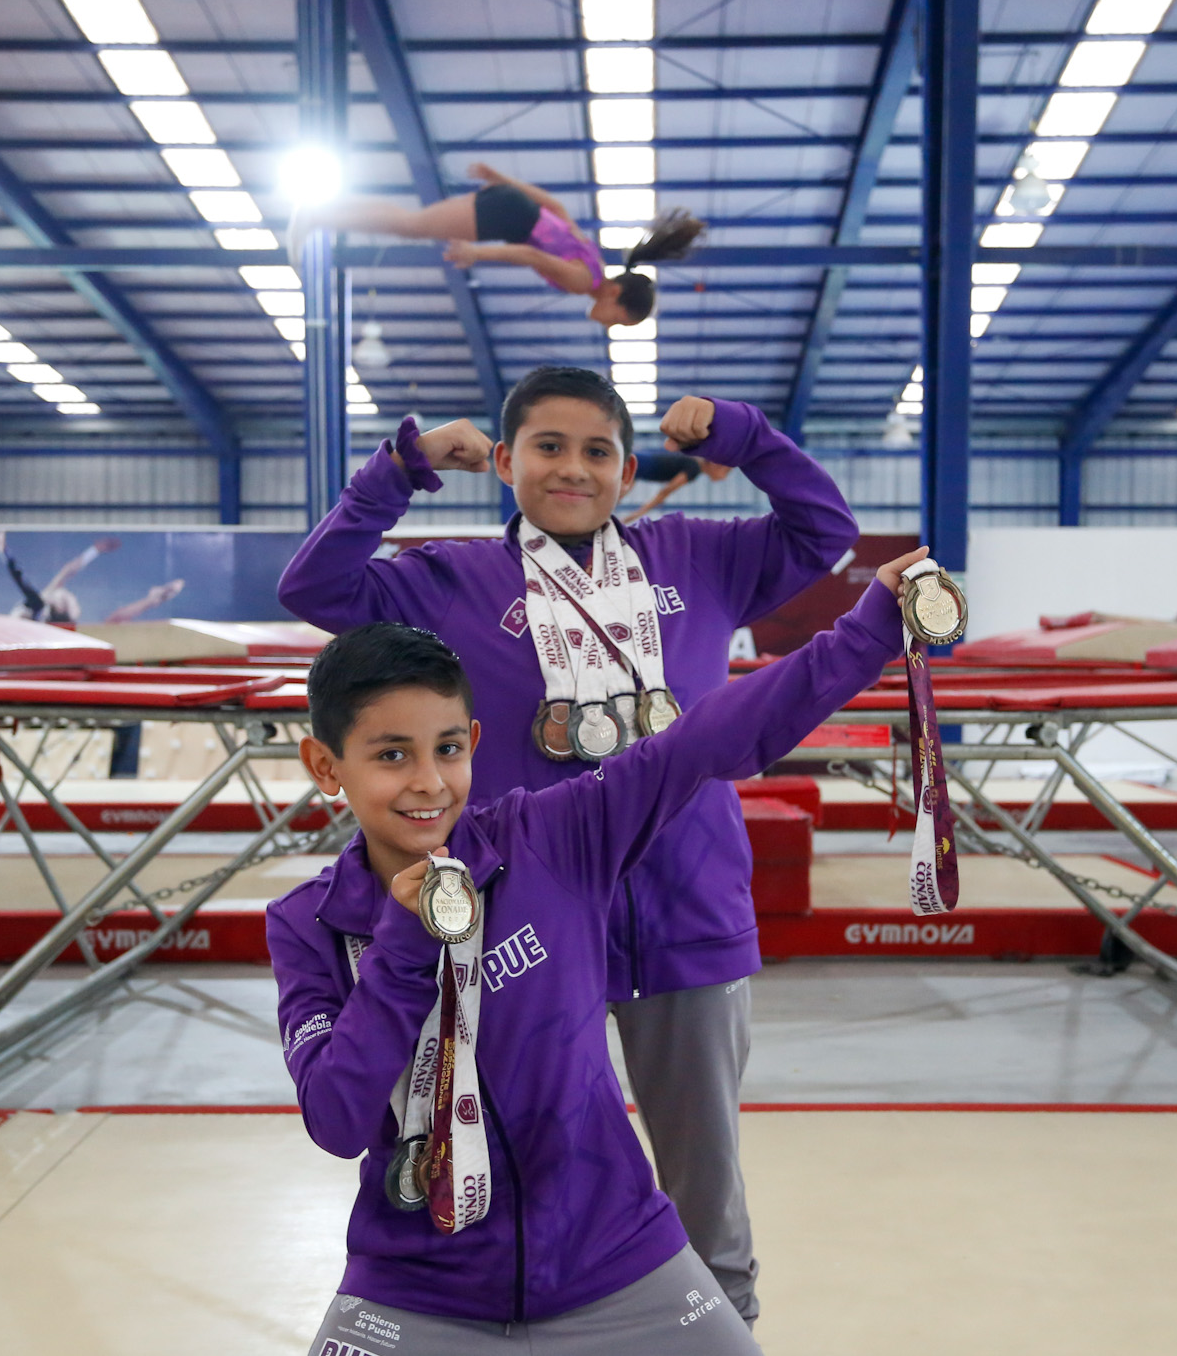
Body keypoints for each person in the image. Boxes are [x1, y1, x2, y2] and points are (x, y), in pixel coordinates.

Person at [277, 366, 857, 1326]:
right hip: (524, 935)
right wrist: (400, 466)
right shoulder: (453, 579)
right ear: (504, 461)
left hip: (687, 915)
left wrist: (745, 436)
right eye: (547, 447)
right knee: (529, 1155)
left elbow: (825, 533)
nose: (573, 469)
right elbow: (316, 584)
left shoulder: (698, 559)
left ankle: (724, 1330)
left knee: (704, 1174)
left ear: (629, 469)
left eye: (598, 452)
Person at [288, 162, 704, 327]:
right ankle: (319, 213)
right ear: (615, 293)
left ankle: (322, 213)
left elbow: (554, 206)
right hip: (508, 217)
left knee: (410, 224)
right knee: (410, 225)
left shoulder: (591, 262)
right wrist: (476, 253)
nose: (608, 323)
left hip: (512, 208)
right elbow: (529, 253)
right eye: (618, 319)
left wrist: (504, 180)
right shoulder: (583, 280)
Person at [623, 450, 734, 523]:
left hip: (638, 467)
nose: (724, 477)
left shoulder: (694, 465)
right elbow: (668, 489)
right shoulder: (694, 468)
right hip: (638, 463)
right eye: (727, 471)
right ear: (716, 464)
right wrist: (641, 511)